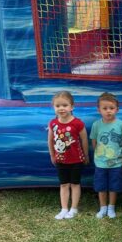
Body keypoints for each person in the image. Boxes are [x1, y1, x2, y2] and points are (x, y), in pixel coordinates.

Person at [47, 91, 89, 219]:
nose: (61, 108)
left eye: (65, 105)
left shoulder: (78, 123)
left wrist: (86, 156)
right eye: (58, 106)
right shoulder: (53, 124)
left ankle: (74, 208)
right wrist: (52, 155)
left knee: (75, 184)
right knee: (64, 184)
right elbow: (50, 140)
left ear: (72, 107)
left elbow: (84, 140)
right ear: (54, 108)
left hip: (76, 160)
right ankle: (64, 208)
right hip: (61, 160)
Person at [89, 92, 122, 219]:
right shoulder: (96, 125)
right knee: (101, 186)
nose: (108, 111)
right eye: (105, 108)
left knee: (114, 186)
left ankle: (111, 207)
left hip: (117, 163)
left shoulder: (121, 124)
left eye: (111, 108)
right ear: (99, 110)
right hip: (100, 162)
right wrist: (99, 155)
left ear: (117, 109)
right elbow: (94, 141)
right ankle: (103, 207)